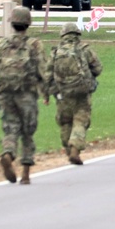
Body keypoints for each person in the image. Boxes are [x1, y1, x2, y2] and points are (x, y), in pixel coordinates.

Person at [0, 6, 47, 185]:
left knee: (10, 128)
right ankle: (25, 174)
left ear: (12, 23)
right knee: (28, 132)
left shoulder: (1, 44)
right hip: (27, 94)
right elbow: (43, 70)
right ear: (28, 24)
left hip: (5, 93)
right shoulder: (34, 45)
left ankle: (8, 154)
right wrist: (47, 91)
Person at [44, 22, 103, 165]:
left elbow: (47, 75)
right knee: (80, 121)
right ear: (78, 35)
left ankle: (68, 149)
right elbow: (98, 68)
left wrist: (47, 94)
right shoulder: (85, 49)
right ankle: (75, 148)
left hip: (62, 94)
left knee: (65, 122)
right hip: (82, 93)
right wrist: (89, 76)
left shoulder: (56, 52)